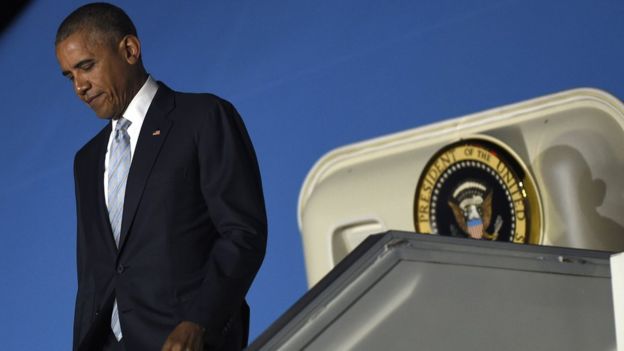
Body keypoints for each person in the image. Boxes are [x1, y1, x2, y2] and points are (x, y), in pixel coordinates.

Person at [55, 3, 267, 350]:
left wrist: (199, 322)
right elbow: (94, 277)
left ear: (129, 50)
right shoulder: (87, 161)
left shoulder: (201, 118)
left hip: (185, 341)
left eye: (86, 67)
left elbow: (243, 234)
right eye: (70, 76)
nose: (80, 86)